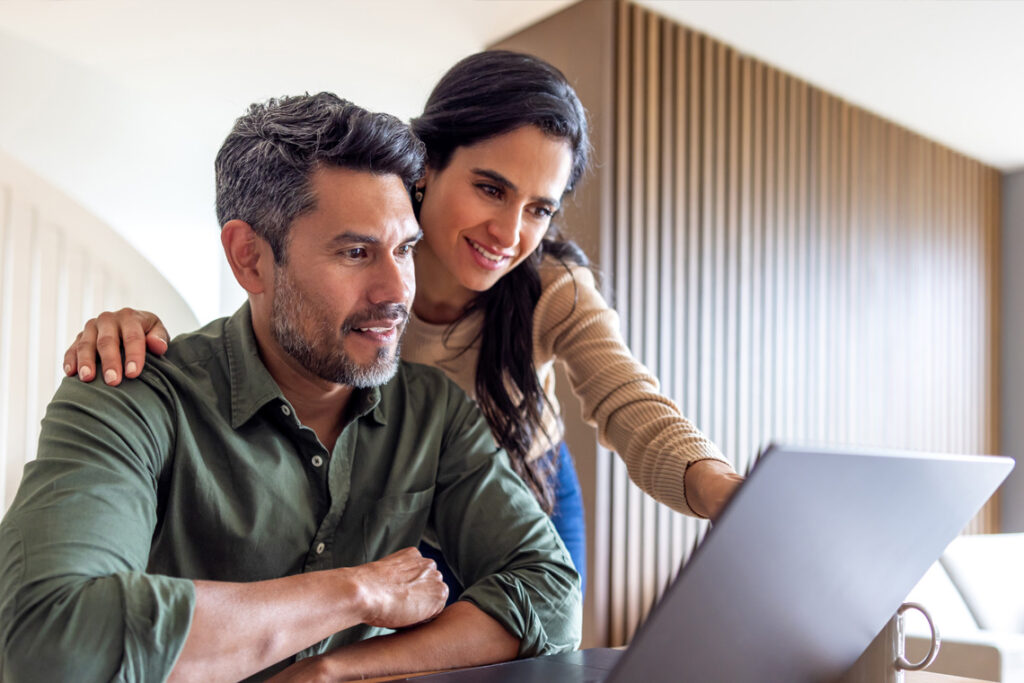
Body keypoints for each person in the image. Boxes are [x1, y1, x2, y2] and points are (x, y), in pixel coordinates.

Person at [63, 51, 744, 598]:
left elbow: (630, 401)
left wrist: (729, 496)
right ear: (426, 167)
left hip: (524, 478)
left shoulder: (549, 288)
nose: (509, 233)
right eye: (491, 188)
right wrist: (134, 329)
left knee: (536, 647)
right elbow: (277, 322)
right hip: (397, 493)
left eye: (540, 208)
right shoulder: (360, 280)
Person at [0, 93, 580, 683]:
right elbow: (52, 640)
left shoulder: (433, 412)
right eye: (355, 252)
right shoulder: (128, 395)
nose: (395, 291)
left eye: (404, 249)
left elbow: (552, 595)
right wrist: (355, 593)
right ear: (249, 258)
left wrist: (333, 671)